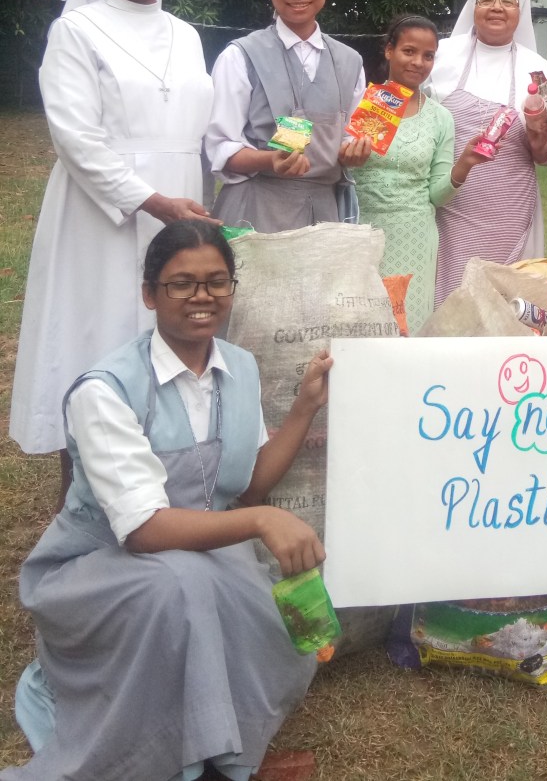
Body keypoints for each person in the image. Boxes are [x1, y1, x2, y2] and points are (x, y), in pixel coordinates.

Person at [2, 221, 332, 781]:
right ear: (149, 294)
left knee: (274, 628)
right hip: (97, 565)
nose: (202, 296)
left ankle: (217, 747)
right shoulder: (105, 390)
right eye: (181, 283)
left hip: (198, 557)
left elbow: (249, 486)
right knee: (181, 589)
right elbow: (144, 531)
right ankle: (182, 762)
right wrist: (262, 521)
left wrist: (304, 408)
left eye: (217, 281)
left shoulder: (240, 367)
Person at [9, 0, 215, 485]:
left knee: (167, 331)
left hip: (179, 198)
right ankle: (82, 485)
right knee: (95, 332)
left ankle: (165, 474)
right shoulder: (76, 30)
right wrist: (151, 201)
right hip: (101, 211)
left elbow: (197, 125)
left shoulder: (186, 34)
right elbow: (75, 137)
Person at [205, 0, 371, 233]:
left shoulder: (350, 62)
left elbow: (349, 136)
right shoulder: (241, 56)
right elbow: (221, 147)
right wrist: (271, 160)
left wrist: (353, 151)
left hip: (324, 217)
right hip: (255, 212)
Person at [426, 0, 547, 302]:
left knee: (503, 301)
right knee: (448, 296)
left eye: (507, 1)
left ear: (520, 11)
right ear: (473, 6)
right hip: (449, 201)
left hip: (510, 208)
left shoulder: (542, 71)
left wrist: (539, 138)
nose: (497, 7)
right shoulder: (439, 55)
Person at [354, 15, 486, 333]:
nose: (418, 62)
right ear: (389, 50)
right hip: (360, 231)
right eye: (409, 51)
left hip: (413, 236)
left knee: (406, 326)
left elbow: (436, 196)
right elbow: (339, 169)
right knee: (357, 324)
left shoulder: (440, 117)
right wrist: (347, 158)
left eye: (428, 56)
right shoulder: (364, 103)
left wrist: (465, 164)